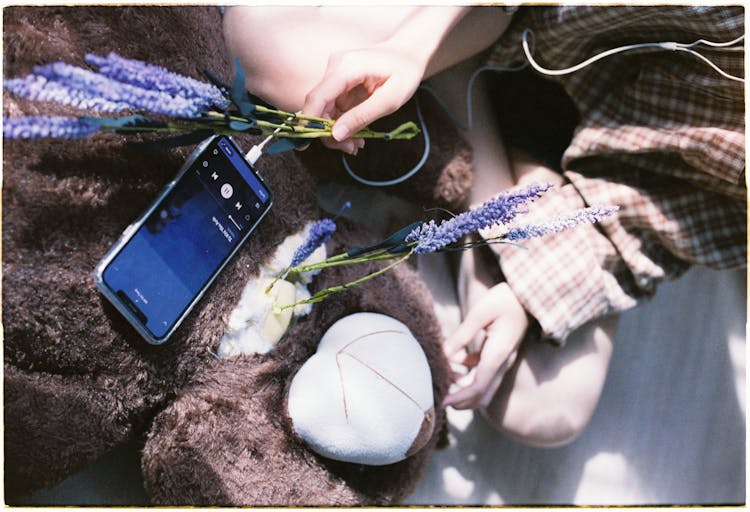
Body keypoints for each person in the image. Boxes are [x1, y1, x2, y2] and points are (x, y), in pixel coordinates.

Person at [223, 5, 746, 447]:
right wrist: (415, 46)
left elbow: (668, 212)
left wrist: (528, 293)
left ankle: (477, 178)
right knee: (266, 41)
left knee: (546, 407)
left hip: (601, 148)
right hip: (496, 18)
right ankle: (473, 153)